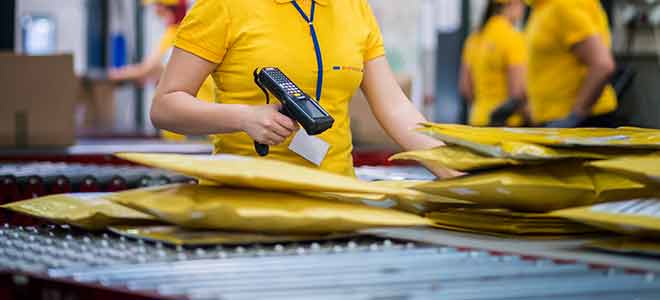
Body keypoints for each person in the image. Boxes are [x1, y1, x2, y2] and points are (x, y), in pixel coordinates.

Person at [150, 0, 460, 177]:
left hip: (337, 202)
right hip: (248, 206)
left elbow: (395, 107)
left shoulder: (355, 8)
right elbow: (165, 106)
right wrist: (243, 117)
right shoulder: (225, 6)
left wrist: (455, 173)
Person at [108, 0, 216, 141]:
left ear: (167, 7)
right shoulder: (192, 33)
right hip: (198, 122)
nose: (155, 10)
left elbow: (149, 68)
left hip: (191, 125)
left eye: (157, 5)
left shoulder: (177, 33)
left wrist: (112, 76)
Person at [526, 0, 617, 128]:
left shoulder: (564, 5)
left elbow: (602, 65)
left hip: (581, 124)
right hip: (554, 121)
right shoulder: (542, 8)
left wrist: (576, 115)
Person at [459, 0, 529, 127]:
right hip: (506, 125)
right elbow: (517, 92)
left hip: (477, 120)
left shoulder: (474, 38)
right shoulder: (513, 38)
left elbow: (465, 88)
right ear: (513, 3)